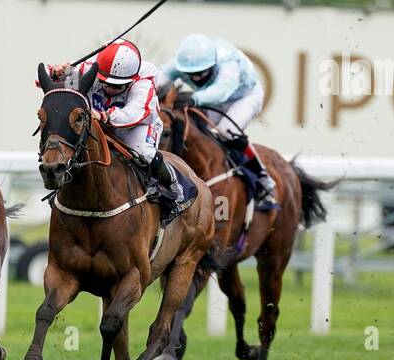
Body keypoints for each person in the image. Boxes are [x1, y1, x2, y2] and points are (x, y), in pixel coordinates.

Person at [44, 38, 185, 221]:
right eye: (105, 83)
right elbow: (52, 84)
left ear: (131, 79)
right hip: (98, 121)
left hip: (137, 126)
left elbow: (135, 113)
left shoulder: (144, 81)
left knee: (145, 153)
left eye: (117, 86)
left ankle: (174, 193)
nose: (110, 88)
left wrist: (104, 116)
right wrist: (57, 73)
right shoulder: (88, 69)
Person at [155, 33, 277, 208]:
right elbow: (157, 80)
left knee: (227, 131)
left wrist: (195, 99)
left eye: (201, 73)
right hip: (212, 98)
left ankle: (262, 178)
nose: (196, 78)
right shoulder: (181, 63)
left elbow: (222, 91)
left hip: (243, 96)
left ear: (213, 64)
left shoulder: (228, 62)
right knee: (199, 131)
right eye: (191, 74)